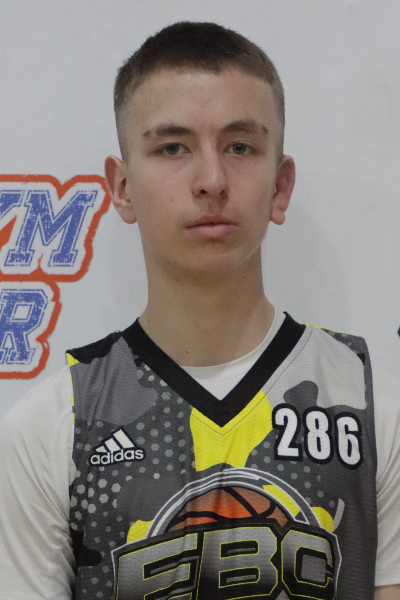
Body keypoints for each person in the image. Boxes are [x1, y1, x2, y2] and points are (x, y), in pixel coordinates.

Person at [0, 21, 399, 600]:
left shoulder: (372, 407)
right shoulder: (53, 425)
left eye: (240, 147)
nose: (211, 180)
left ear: (280, 186)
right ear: (122, 188)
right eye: (172, 147)